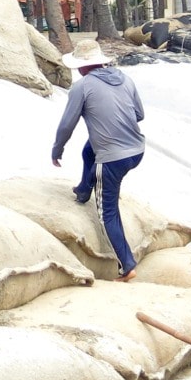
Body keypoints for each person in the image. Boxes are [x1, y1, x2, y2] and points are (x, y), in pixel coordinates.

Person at [49, 39, 145, 280]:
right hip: (137, 149)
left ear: (81, 66)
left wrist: (57, 149)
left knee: (107, 212)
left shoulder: (82, 87)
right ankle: (84, 188)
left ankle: (127, 265)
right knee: (88, 150)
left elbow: (66, 125)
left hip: (113, 159)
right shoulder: (125, 78)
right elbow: (139, 114)